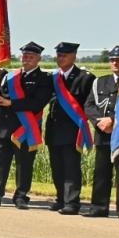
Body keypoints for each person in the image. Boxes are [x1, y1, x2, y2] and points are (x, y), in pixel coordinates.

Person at [0, 41, 51, 208]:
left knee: (24, 164)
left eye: (31, 56)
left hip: (26, 128)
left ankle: (21, 196)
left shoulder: (44, 79)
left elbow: (37, 103)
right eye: (24, 56)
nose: (26, 59)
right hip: (4, 127)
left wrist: (10, 103)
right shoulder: (10, 76)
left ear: (38, 59)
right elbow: (0, 95)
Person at [42, 41, 94, 215]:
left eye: (64, 55)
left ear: (74, 57)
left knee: (71, 167)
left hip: (72, 130)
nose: (60, 58)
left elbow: (88, 104)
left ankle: (72, 202)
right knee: (57, 166)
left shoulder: (85, 78)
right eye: (58, 55)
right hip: (54, 129)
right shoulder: (52, 78)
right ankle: (60, 198)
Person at [84, 46, 119, 218]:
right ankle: (98, 207)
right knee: (101, 173)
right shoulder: (100, 82)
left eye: (118, 59)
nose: (115, 62)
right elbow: (89, 105)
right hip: (102, 133)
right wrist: (98, 121)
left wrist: (112, 120)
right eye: (112, 59)